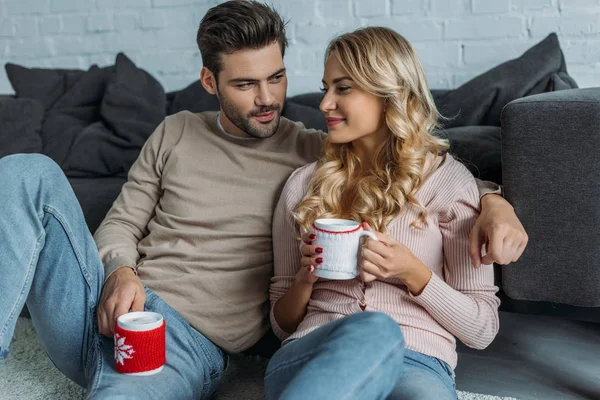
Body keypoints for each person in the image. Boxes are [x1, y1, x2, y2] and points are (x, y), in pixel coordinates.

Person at [0, 1, 525, 399]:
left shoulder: (310, 150)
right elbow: (121, 223)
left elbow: (400, 161)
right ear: (210, 81)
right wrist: (119, 270)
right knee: (25, 171)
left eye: (277, 78)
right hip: (102, 311)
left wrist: (492, 200)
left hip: (182, 342)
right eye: (247, 84)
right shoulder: (177, 131)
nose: (269, 98)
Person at [266, 27, 503, 400]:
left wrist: (414, 273)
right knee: (374, 330)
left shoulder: (449, 183)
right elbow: (280, 326)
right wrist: (304, 281)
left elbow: (482, 329)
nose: (325, 103)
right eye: (326, 87)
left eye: (342, 88)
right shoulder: (302, 185)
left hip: (418, 361)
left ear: (388, 94)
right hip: (313, 354)